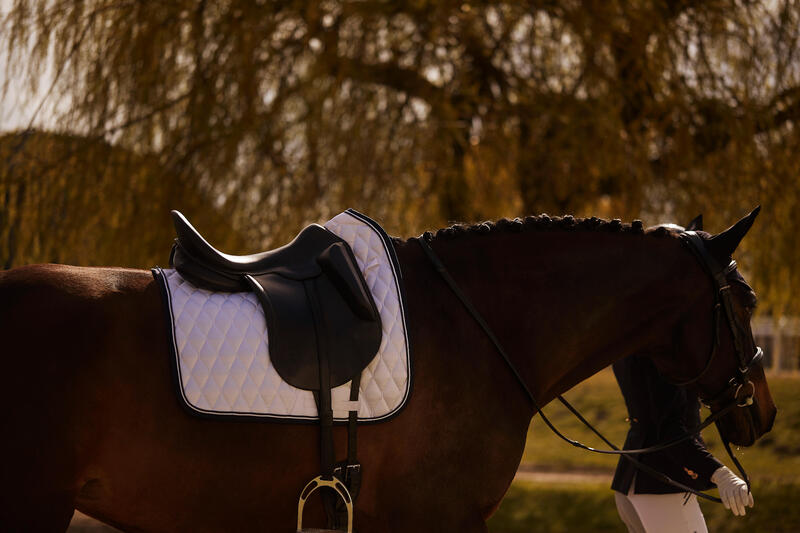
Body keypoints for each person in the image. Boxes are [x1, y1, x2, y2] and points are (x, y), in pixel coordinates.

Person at [611, 353, 754, 533]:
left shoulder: (632, 341)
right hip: (663, 485)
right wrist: (718, 473)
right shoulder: (665, 352)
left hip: (631, 480)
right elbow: (669, 432)